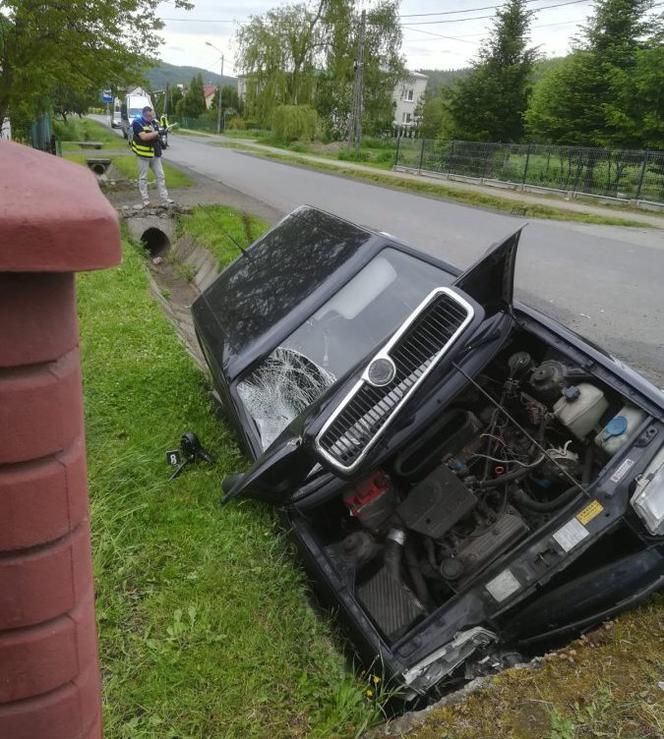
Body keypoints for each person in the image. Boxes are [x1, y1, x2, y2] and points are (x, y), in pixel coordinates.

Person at [131, 106, 174, 207]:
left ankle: (165, 199)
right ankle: (146, 201)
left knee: (161, 176)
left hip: (155, 153)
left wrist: (163, 132)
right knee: (143, 178)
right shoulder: (137, 123)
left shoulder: (154, 122)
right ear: (145, 115)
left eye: (152, 115)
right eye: (150, 116)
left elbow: (157, 133)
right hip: (143, 154)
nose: (152, 117)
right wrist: (157, 133)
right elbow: (144, 137)